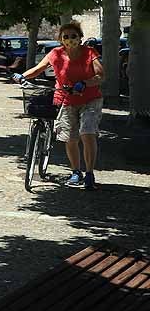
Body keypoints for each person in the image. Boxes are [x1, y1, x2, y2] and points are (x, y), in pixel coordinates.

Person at [16, 21, 104, 189]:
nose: (70, 39)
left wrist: (85, 83)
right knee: (70, 138)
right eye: (66, 37)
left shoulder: (89, 53)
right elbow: (38, 69)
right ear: (61, 39)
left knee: (87, 132)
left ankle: (90, 173)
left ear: (80, 38)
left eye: (74, 36)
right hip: (67, 99)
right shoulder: (55, 54)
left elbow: (100, 75)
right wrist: (21, 76)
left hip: (90, 99)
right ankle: (76, 172)